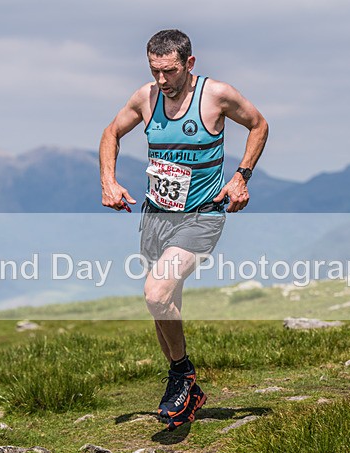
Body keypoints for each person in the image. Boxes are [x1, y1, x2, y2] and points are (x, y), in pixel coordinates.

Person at [99, 29, 268, 430]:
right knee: (163, 304)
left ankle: (182, 373)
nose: (162, 80)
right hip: (156, 216)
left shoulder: (217, 95)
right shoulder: (146, 98)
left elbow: (259, 125)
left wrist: (242, 177)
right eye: (155, 71)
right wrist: (108, 180)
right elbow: (110, 134)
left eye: (169, 71)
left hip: (201, 216)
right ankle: (184, 384)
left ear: (189, 65)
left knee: (155, 292)